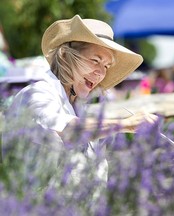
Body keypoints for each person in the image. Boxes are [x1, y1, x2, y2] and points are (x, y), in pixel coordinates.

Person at [2, 15, 158, 186]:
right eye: (95, 60)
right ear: (65, 56)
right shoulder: (37, 92)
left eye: (106, 66)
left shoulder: (77, 106)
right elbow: (69, 129)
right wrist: (125, 124)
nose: (100, 73)